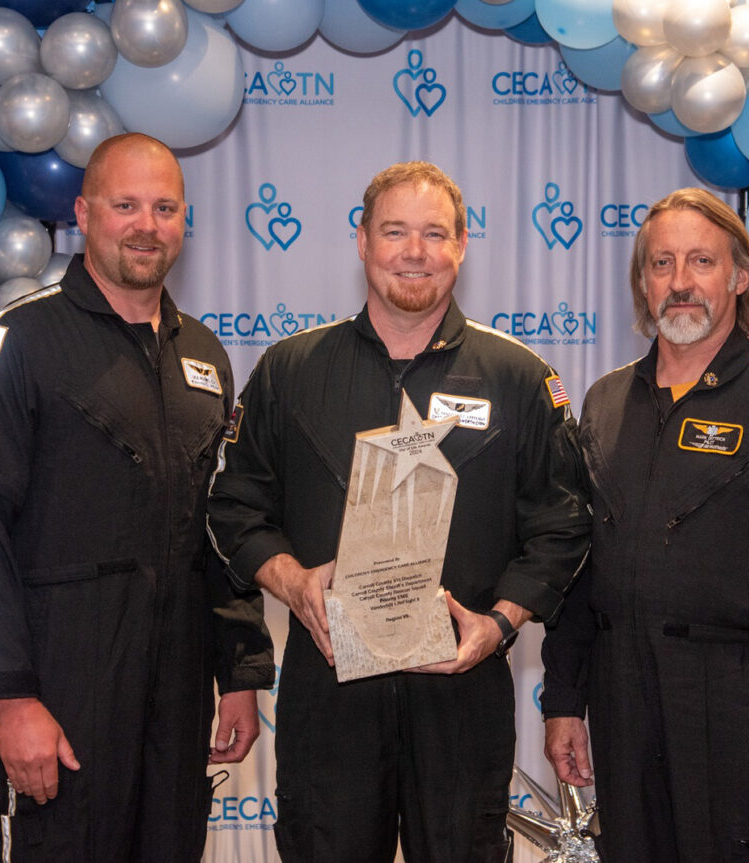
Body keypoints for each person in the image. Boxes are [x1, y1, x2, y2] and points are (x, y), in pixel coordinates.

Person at [206, 161, 590, 862]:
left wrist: (500, 623)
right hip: (329, 692)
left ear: (463, 246)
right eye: (395, 231)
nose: (415, 252)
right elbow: (235, 507)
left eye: (434, 233)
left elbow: (562, 526)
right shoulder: (290, 370)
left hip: (462, 690)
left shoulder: (519, 379)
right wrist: (293, 582)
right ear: (361, 241)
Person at [0, 133, 275, 863]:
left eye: (164, 208)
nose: (145, 225)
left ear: (185, 221)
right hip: (63, 677)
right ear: (83, 213)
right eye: (125, 205)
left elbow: (220, 526)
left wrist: (240, 671)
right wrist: (13, 697)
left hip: (181, 679)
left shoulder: (206, 358)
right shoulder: (22, 338)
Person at [540, 187, 749, 862]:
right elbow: (578, 569)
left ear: (740, 276)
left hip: (739, 699)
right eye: (662, 264)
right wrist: (564, 699)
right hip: (622, 697)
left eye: (702, 261)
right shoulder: (605, 402)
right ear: (643, 283)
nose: (681, 282)